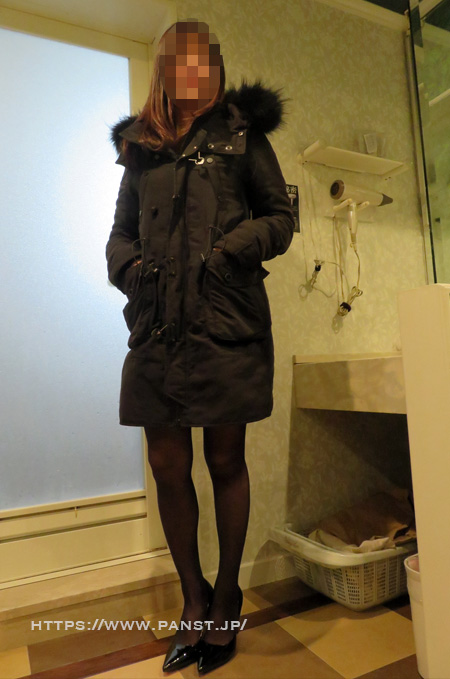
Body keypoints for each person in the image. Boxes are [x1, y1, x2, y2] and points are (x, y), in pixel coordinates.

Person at [106, 18, 295, 675]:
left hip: (224, 322)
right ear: (164, 68)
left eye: (200, 57)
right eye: (177, 58)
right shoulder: (142, 147)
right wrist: (133, 270)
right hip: (157, 326)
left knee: (224, 459)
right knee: (166, 462)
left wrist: (230, 250)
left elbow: (281, 216)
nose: (190, 68)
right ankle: (193, 599)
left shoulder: (242, 132)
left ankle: (226, 598)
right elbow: (119, 233)